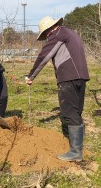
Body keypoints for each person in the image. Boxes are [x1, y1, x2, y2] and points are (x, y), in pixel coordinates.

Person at [25, 16, 90, 161]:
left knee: (69, 112)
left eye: (46, 34)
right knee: (76, 111)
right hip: (81, 75)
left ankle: (75, 152)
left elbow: (44, 56)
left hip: (68, 77)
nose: (47, 37)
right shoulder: (70, 32)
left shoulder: (57, 34)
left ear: (49, 29)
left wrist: (31, 76)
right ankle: (77, 147)